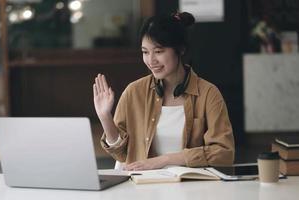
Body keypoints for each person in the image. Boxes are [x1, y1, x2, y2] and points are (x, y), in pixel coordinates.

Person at [93, 12, 234, 171]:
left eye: (158, 51)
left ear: (180, 49)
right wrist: (105, 117)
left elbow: (224, 153)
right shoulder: (134, 92)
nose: (151, 61)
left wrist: (165, 160)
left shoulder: (209, 94)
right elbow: (121, 154)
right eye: (145, 52)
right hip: (143, 189)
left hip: (192, 188)